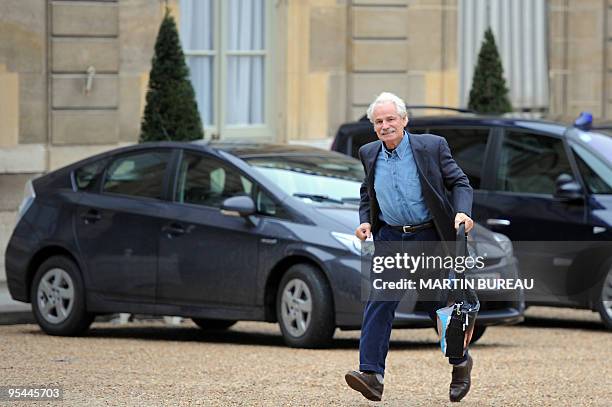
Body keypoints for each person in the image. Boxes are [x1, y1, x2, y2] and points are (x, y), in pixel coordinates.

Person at [344, 92, 475, 403]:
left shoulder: (431, 146)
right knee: (380, 301)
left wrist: (463, 211)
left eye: (391, 119)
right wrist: (365, 221)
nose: (385, 125)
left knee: (438, 307)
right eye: (379, 121)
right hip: (390, 238)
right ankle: (372, 375)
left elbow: (460, 182)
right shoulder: (368, 152)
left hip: (427, 236)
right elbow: (368, 192)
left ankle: (460, 363)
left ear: (404, 120)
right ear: (373, 126)